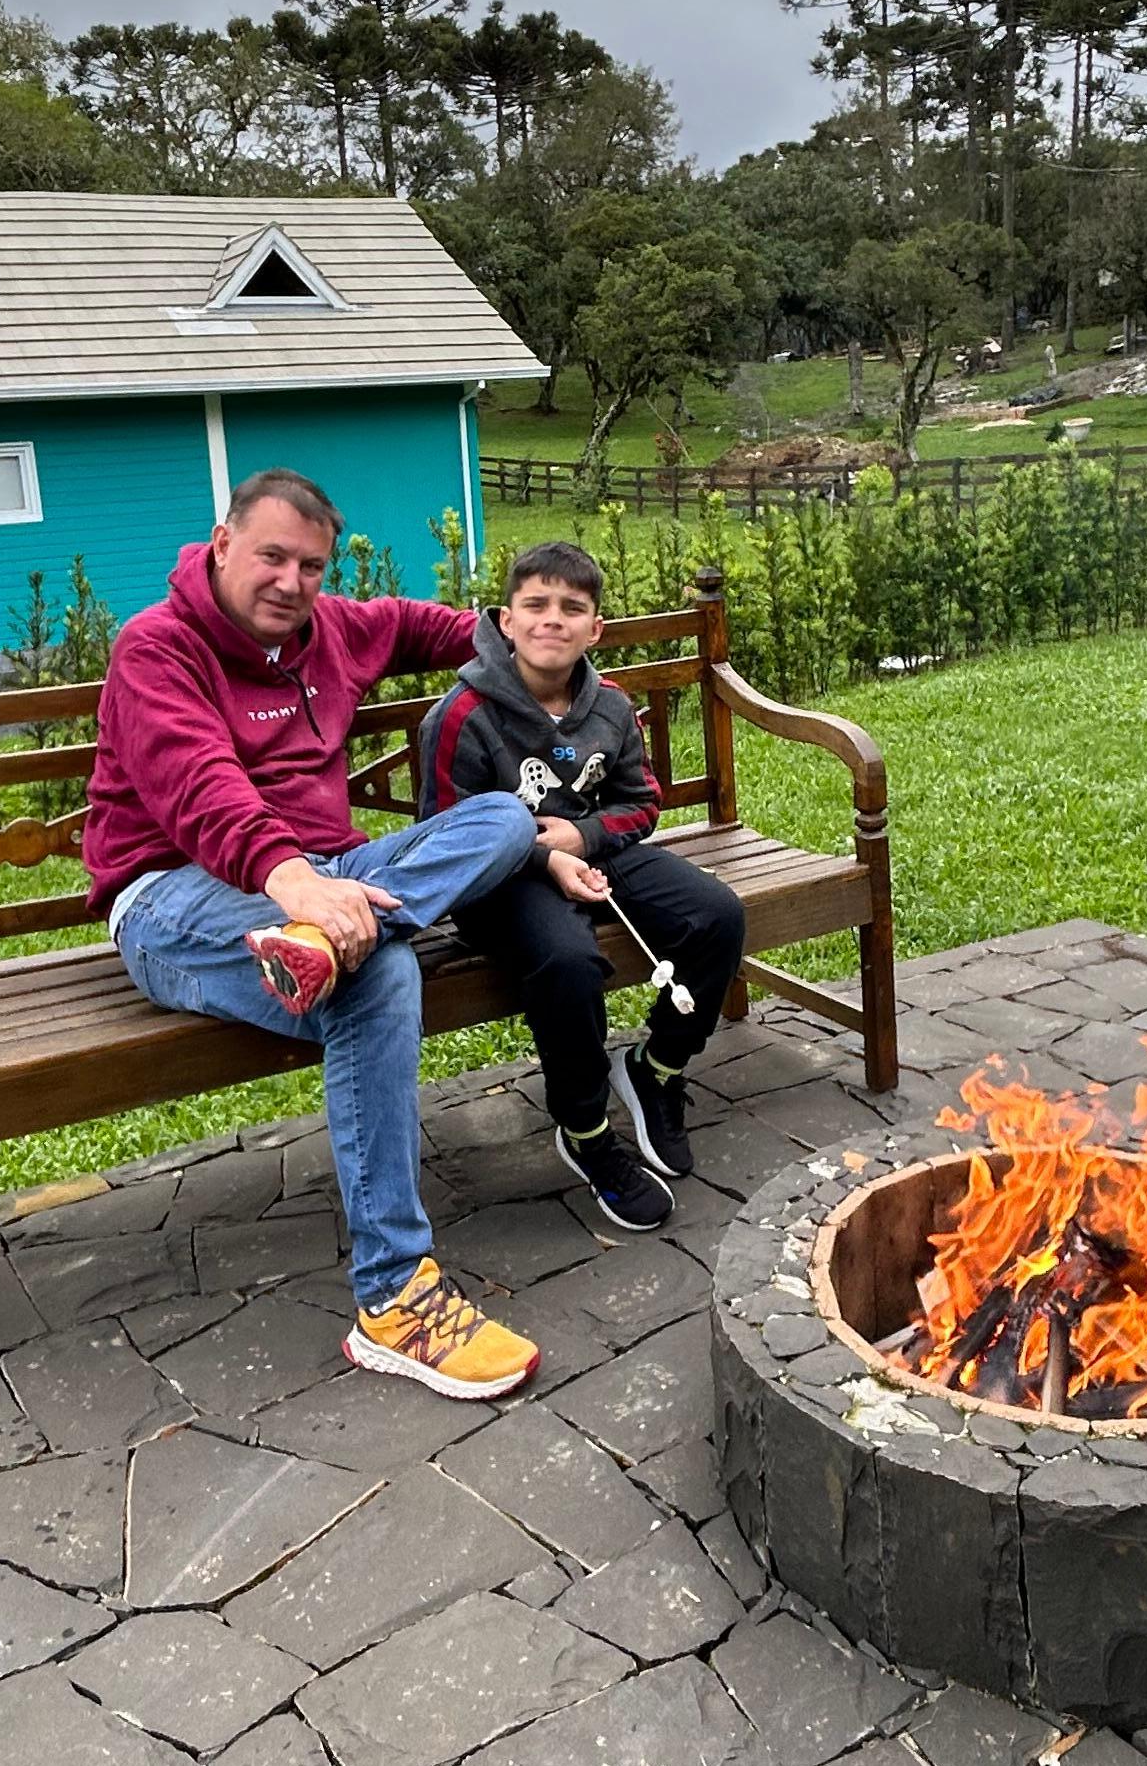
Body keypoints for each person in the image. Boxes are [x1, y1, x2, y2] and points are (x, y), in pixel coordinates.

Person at [83, 467, 543, 1400]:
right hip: (175, 894)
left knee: (502, 819)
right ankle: (395, 1297)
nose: (291, 581)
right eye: (271, 556)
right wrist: (294, 882)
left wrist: (530, 640)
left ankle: (328, 944)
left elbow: (429, 627)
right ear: (221, 543)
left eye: (312, 566)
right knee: (382, 979)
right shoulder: (155, 650)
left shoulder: (329, 629)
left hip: (327, 880)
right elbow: (200, 785)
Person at [416, 538, 748, 1228]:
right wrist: (543, 860)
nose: (552, 620)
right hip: (501, 884)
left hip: (595, 851)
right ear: (505, 620)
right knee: (568, 961)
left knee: (716, 914)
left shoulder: (612, 707)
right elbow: (444, 841)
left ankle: (656, 1069)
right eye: (534, 605)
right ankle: (587, 1130)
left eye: (572, 608)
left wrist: (584, 837)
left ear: (594, 628)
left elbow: (642, 801)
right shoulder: (458, 718)